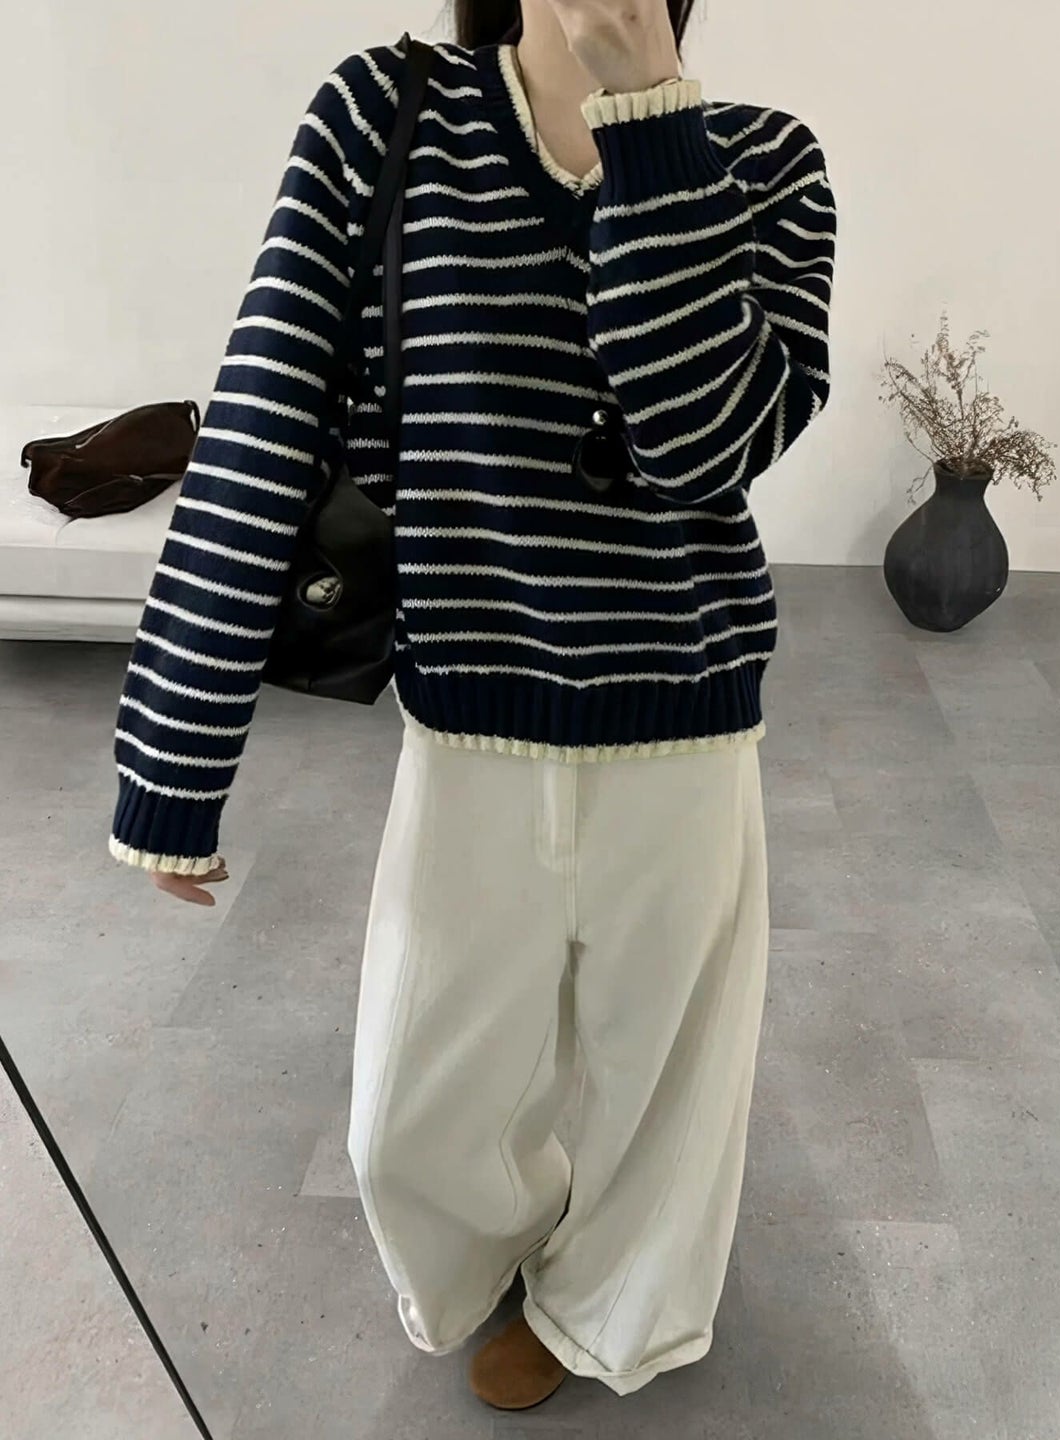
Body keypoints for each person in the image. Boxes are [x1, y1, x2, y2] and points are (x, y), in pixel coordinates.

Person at [107, 0, 836, 1411]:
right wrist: (175, 752)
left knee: (669, 1104)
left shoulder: (764, 160)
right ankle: (517, 1239)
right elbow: (264, 414)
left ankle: (606, 1310)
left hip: (684, 728)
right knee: (406, 1120)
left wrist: (653, 123)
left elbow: (704, 447)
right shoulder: (387, 117)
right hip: (470, 731)